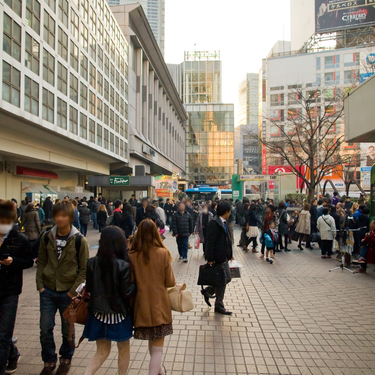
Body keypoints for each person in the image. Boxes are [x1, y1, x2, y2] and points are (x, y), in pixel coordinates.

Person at [36, 201, 89, 375]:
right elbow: (41, 261)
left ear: (71, 218)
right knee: (45, 327)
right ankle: (49, 360)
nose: (60, 218)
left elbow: (84, 270)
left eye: (64, 215)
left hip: (68, 292)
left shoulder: (80, 240)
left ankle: (66, 357)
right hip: (48, 290)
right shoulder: (46, 236)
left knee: (68, 329)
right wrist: (40, 286)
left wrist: (72, 292)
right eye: (57, 215)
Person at [83, 227, 135, 375]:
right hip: (119, 314)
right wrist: (136, 285)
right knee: (123, 349)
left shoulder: (92, 263)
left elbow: (90, 288)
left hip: (97, 313)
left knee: (102, 351)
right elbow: (127, 292)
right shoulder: (123, 265)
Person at [129, 220, 176, 375]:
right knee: (157, 348)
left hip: (140, 305)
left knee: (152, 340)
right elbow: (170, 282)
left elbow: (130, 281)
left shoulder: (132, 255)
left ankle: (160, 370)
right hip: (159, 305)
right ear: (156, 232)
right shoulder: (163, 253)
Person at [0, 200, 34, 375]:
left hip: (10, 291)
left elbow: (29, 261)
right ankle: (13, 353)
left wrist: (13, 262)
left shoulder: (19, 239)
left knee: (4, 334)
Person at [201, 201, 233, 315]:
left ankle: (208, 291)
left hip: (224, 256)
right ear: (226, 212)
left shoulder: (224, 222)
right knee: (223, 280)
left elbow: (227, 240)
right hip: (218, 258)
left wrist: (230, 253)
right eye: (230, 210)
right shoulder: (214, 223)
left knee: (227, 278)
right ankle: (219, 305)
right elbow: (210, 243)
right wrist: (210, 258)